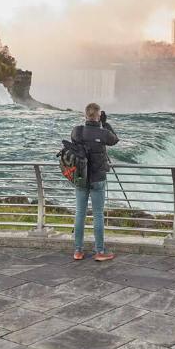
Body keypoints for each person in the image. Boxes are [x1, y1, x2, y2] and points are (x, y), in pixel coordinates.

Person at [71, 102, 119, 261]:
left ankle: (78, 251)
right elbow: (115, 140)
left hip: (81, 178)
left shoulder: (77, 131)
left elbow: (76, 141)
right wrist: (105, 124)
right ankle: (100, 251)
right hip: (98, 179)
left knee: (80, 213)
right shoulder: (103, 133)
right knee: (98, 214)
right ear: (98, 115)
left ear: (85, 115)